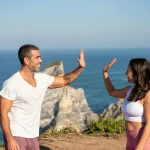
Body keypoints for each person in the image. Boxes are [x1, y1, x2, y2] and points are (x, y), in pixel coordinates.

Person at [0, 44, 86, 150]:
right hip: (16, 135)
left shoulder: (41, 79)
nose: (41, 60)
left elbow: (64, 81)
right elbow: (2, 113)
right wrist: (10, 139)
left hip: (33, 136)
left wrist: (80, 68)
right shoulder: (12, 84)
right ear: (26, 60)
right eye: (37, 57)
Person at [103, 58, 150, 150]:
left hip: (142, 141)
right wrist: (105, 73)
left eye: (128, 71)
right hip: (130, 139)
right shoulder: (129, 90)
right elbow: (112, 92)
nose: (126, 73)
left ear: (137, 74)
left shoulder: (147, 94)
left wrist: (139, 147)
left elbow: (149, 124)